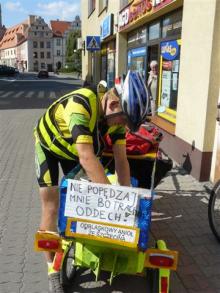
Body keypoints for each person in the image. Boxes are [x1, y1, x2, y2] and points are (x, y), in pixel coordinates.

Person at [34, 71, 149, 292]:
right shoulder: (81, 103)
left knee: (81, 197)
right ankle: (52, 270)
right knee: (51, 204)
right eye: (124, 120)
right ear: (114, 104)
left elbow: (121, 160)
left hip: (71, 151)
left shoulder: (114, 117)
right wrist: (112, 200)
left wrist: (126, 201)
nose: (123, 125)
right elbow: (87, 156)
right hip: (47, 146)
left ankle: (75, 242)